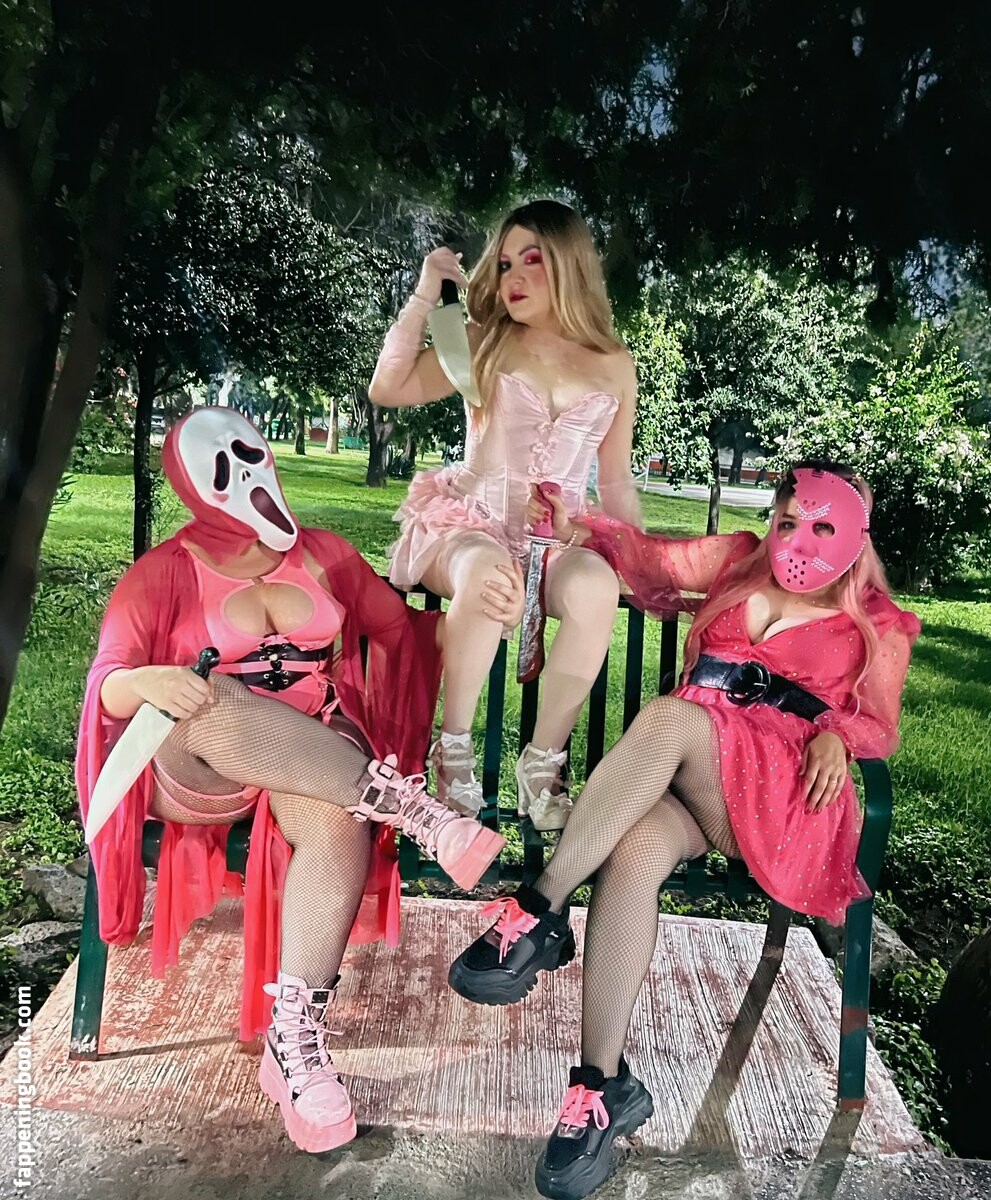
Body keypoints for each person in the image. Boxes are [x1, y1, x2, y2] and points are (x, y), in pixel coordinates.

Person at [447, 462, 921, 1200]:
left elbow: (878, 724)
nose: (796, 539)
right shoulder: (738, 560)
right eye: (786, 521)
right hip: (686, 783)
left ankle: (539, 907)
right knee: (632, 855)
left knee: (671, 716)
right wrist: (576, 526)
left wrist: (838, 734)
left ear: (855, 536)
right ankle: (600, 1089)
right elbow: (652, 560)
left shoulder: (880, 620)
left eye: (821, 526)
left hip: (774, 799)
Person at [76, 407, 519, 1154]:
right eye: (220, 469)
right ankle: (417, 812)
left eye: (249, 454)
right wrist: (150, 680)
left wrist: (485, 611)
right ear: (192, 486)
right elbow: (109, 684)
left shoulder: (323, 555)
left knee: (337, 819)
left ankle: (294, 1043)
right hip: (200, 761)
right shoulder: (162, 573)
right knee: (214, 698)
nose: (245, 475)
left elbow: (405, 633)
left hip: (311, 758)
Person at [369, 199, 642, 830]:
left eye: (532, 260)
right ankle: (453, 751)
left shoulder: (613, 364)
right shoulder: (483, 340)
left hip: (556, 540)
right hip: (468, 524)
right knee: (492, 572)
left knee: (597, 586)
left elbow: (615, 480)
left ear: (569, 265)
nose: (512, 276)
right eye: (505, 263)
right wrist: (424, 296)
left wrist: (637, 553)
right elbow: (389, 388)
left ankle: (542, 762)